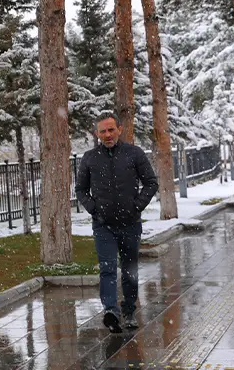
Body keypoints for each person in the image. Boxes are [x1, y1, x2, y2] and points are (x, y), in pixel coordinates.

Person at [75, 112, 159, 334]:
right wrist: (94, 209)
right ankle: (111, 311)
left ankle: (129, 310)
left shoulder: (134, 154)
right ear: (97, 134)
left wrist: (137, 205)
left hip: (130, 223)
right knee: (108, 268)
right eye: (103, 131)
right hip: (103, 225)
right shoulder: (90, 158)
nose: (107, 134)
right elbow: (81, 190)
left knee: (130, 270)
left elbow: (150, 182)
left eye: (111, 129)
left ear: (119, 130)